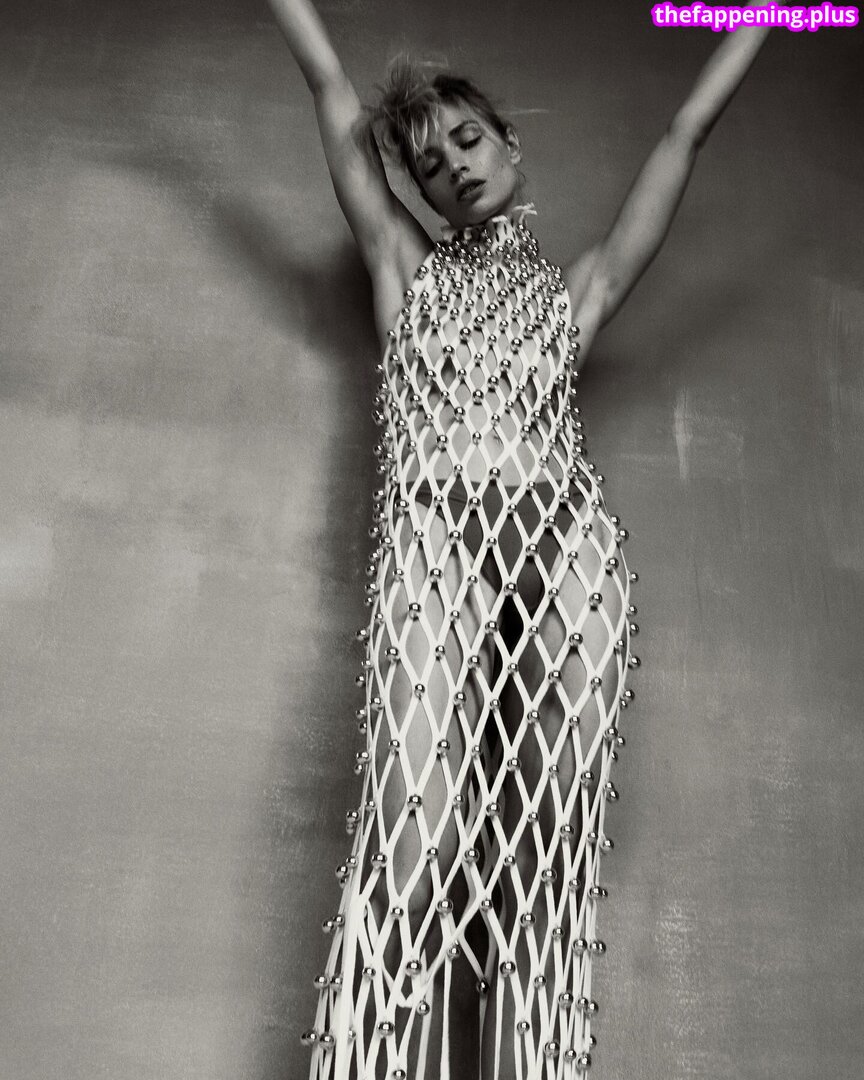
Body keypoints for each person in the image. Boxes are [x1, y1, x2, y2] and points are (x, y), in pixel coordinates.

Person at [266, 1, 786, 1076]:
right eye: (427, 162)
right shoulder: (401, 268)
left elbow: (685, 131)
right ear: (413, 190)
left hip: (568, 557)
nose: (452, 166)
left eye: (467, 139)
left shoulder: (577, 293)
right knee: (409, 854)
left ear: (509, 143)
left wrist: (776, 11)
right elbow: (327, 86)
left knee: (545, 884)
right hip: (434, 544)